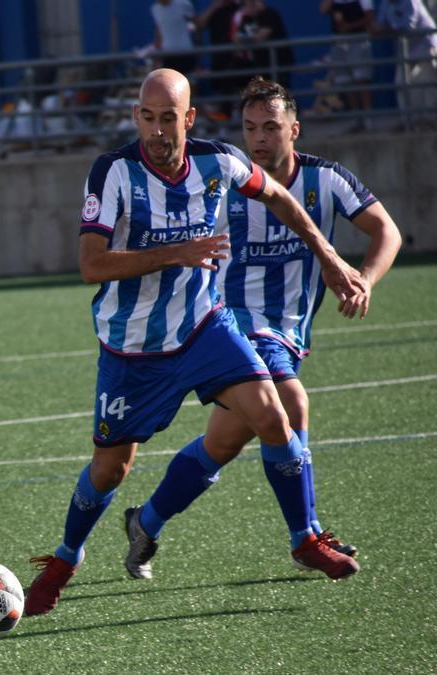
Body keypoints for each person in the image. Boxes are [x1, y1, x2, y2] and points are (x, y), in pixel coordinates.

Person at [23, 68, 368, 617]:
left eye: (169, 120)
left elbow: (279, 196)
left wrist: (329, 256)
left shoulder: (220, 161)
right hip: (131, 348)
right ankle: (67, 558)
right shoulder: (112, 172)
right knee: (110, 469)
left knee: (274, 413)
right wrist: (176, 253)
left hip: (205, 327)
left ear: (188, 119)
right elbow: (91, 265)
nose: (157, 132)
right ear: (137, 117)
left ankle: (305, 538)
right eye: (148, 118)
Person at [122, 77, 402, 581]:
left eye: (270, 127)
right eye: (250, 128)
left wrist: (365, 279)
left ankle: (145, 521)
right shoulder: (224, 177)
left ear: (294, 129)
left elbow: (387, 229)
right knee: (292, 404)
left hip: (289, 331)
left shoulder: (326, 180)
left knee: (223, 443)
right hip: (230, 324)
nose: (258, 139)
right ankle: (307, 536)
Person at [375, 0, 437, 128]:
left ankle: (431, 121)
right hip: (407, 51)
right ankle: (408, 121)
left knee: (425, 83)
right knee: (401, 82)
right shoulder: (386, 3)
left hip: (426, 46)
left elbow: (407, 26)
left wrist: (384, 29)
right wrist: (381, 29)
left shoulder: (411, 1)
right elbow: (378, 25)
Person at [322, 0, 377, 118]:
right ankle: (357, 118)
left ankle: (368, 119)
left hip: (358, 41)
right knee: (345, 82)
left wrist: (349, 27)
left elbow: (370, 17)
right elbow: (323, 10)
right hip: (339, 42)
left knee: (361, 79)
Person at [233, 0, 295, 89]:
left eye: (247, 5)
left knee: (280, 93)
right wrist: (244, 40)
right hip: (260, 65)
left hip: (278, 63)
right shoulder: (248, 19)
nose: (245, 9)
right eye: (243, 6)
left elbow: (260, 37)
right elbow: (236, 38)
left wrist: (245, 40)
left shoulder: (269, 14)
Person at [151, 0, 198, 75]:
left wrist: (198, 45)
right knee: (170, 83)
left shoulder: (183, 4)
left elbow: (196, 24)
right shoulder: (155, 9)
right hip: (168, 55)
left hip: (186, 52)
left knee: (189, 83)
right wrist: (157, 56)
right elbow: (159, 31)